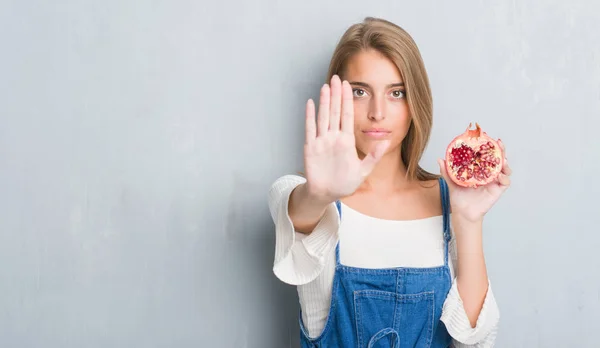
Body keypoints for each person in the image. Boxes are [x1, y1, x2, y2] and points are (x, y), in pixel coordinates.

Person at [267, 17, 511, 347]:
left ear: (415, 104)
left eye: (396, 93)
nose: (377, 112)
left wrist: (468, 220)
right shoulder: (303, 196)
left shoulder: (450, 199)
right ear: (337, 99)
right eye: (359, 92)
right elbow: (298, 214)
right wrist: (319, 194)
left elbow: (474, 342)